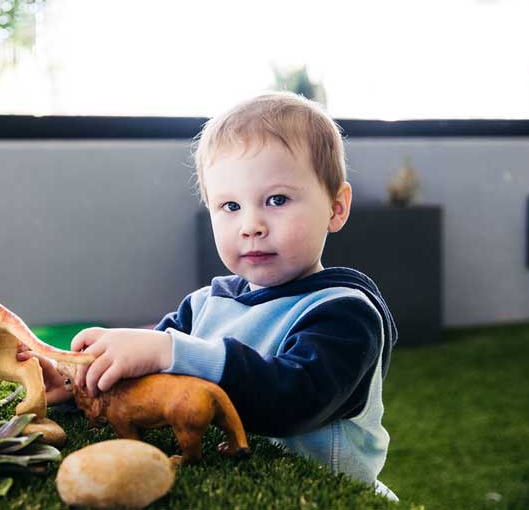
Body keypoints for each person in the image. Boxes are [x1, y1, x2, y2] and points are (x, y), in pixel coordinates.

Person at [24, 91, 399, 500]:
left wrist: (171, 352)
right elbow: (144, 391)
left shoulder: (344, 312)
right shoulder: (204, 305)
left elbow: (293, 402)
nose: (251, 224)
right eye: (230, 206)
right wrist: (75, 385)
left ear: (335, 208)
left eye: (277, 200)